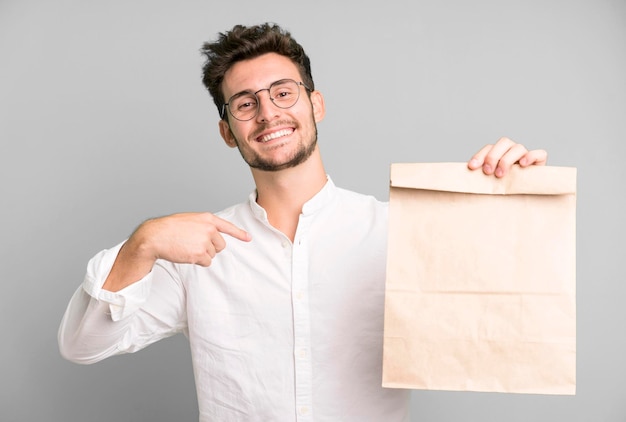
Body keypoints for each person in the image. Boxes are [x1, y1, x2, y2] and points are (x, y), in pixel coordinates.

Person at [58, 23, 548, 421]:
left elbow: (508, 320)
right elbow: (82, 345)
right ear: (228, 131)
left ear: (316, 104)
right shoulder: (197, 249)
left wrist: (509, 199)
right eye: (246, 103)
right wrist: (140, 244)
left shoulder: (397, 232)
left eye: (283, 93)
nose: (268, 113)